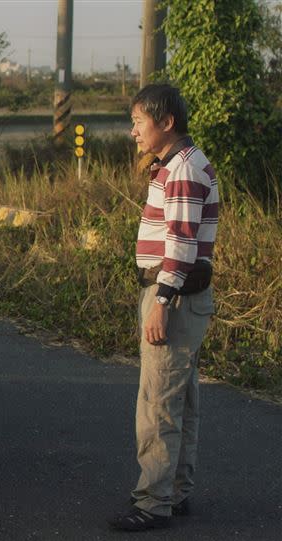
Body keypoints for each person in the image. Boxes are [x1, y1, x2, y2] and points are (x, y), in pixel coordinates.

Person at [108, 84, 219, 531]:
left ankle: (153, 502)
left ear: (166, 122)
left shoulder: (184, 170)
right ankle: (175, 490)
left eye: (139, 122)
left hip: (172, 294)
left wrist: (162, 301)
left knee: (158, 402)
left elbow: (180, 243)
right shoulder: (175, 165)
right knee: (181, 397)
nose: (133, 131)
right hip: (178, 294)